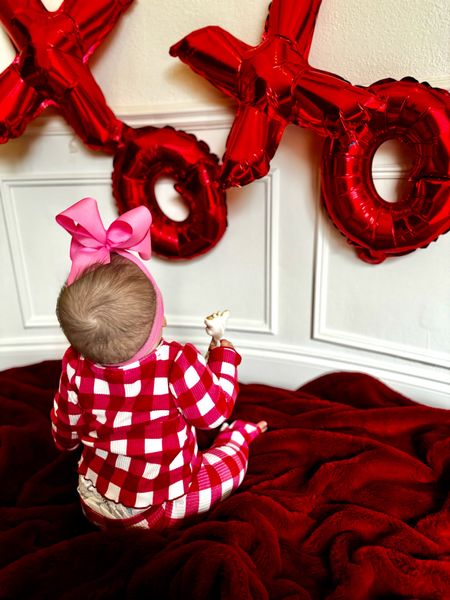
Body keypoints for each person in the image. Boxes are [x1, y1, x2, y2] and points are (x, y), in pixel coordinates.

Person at [51, 197, 267, 530]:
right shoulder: (175, 362)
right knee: (226, 468)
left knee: (98, 461)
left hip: (93, 501)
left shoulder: (75, 366)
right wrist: (222, 352)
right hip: (158, 509)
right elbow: (213, 412)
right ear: (160, 320)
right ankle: (241, 437)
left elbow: (64, 432)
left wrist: (67, 441)